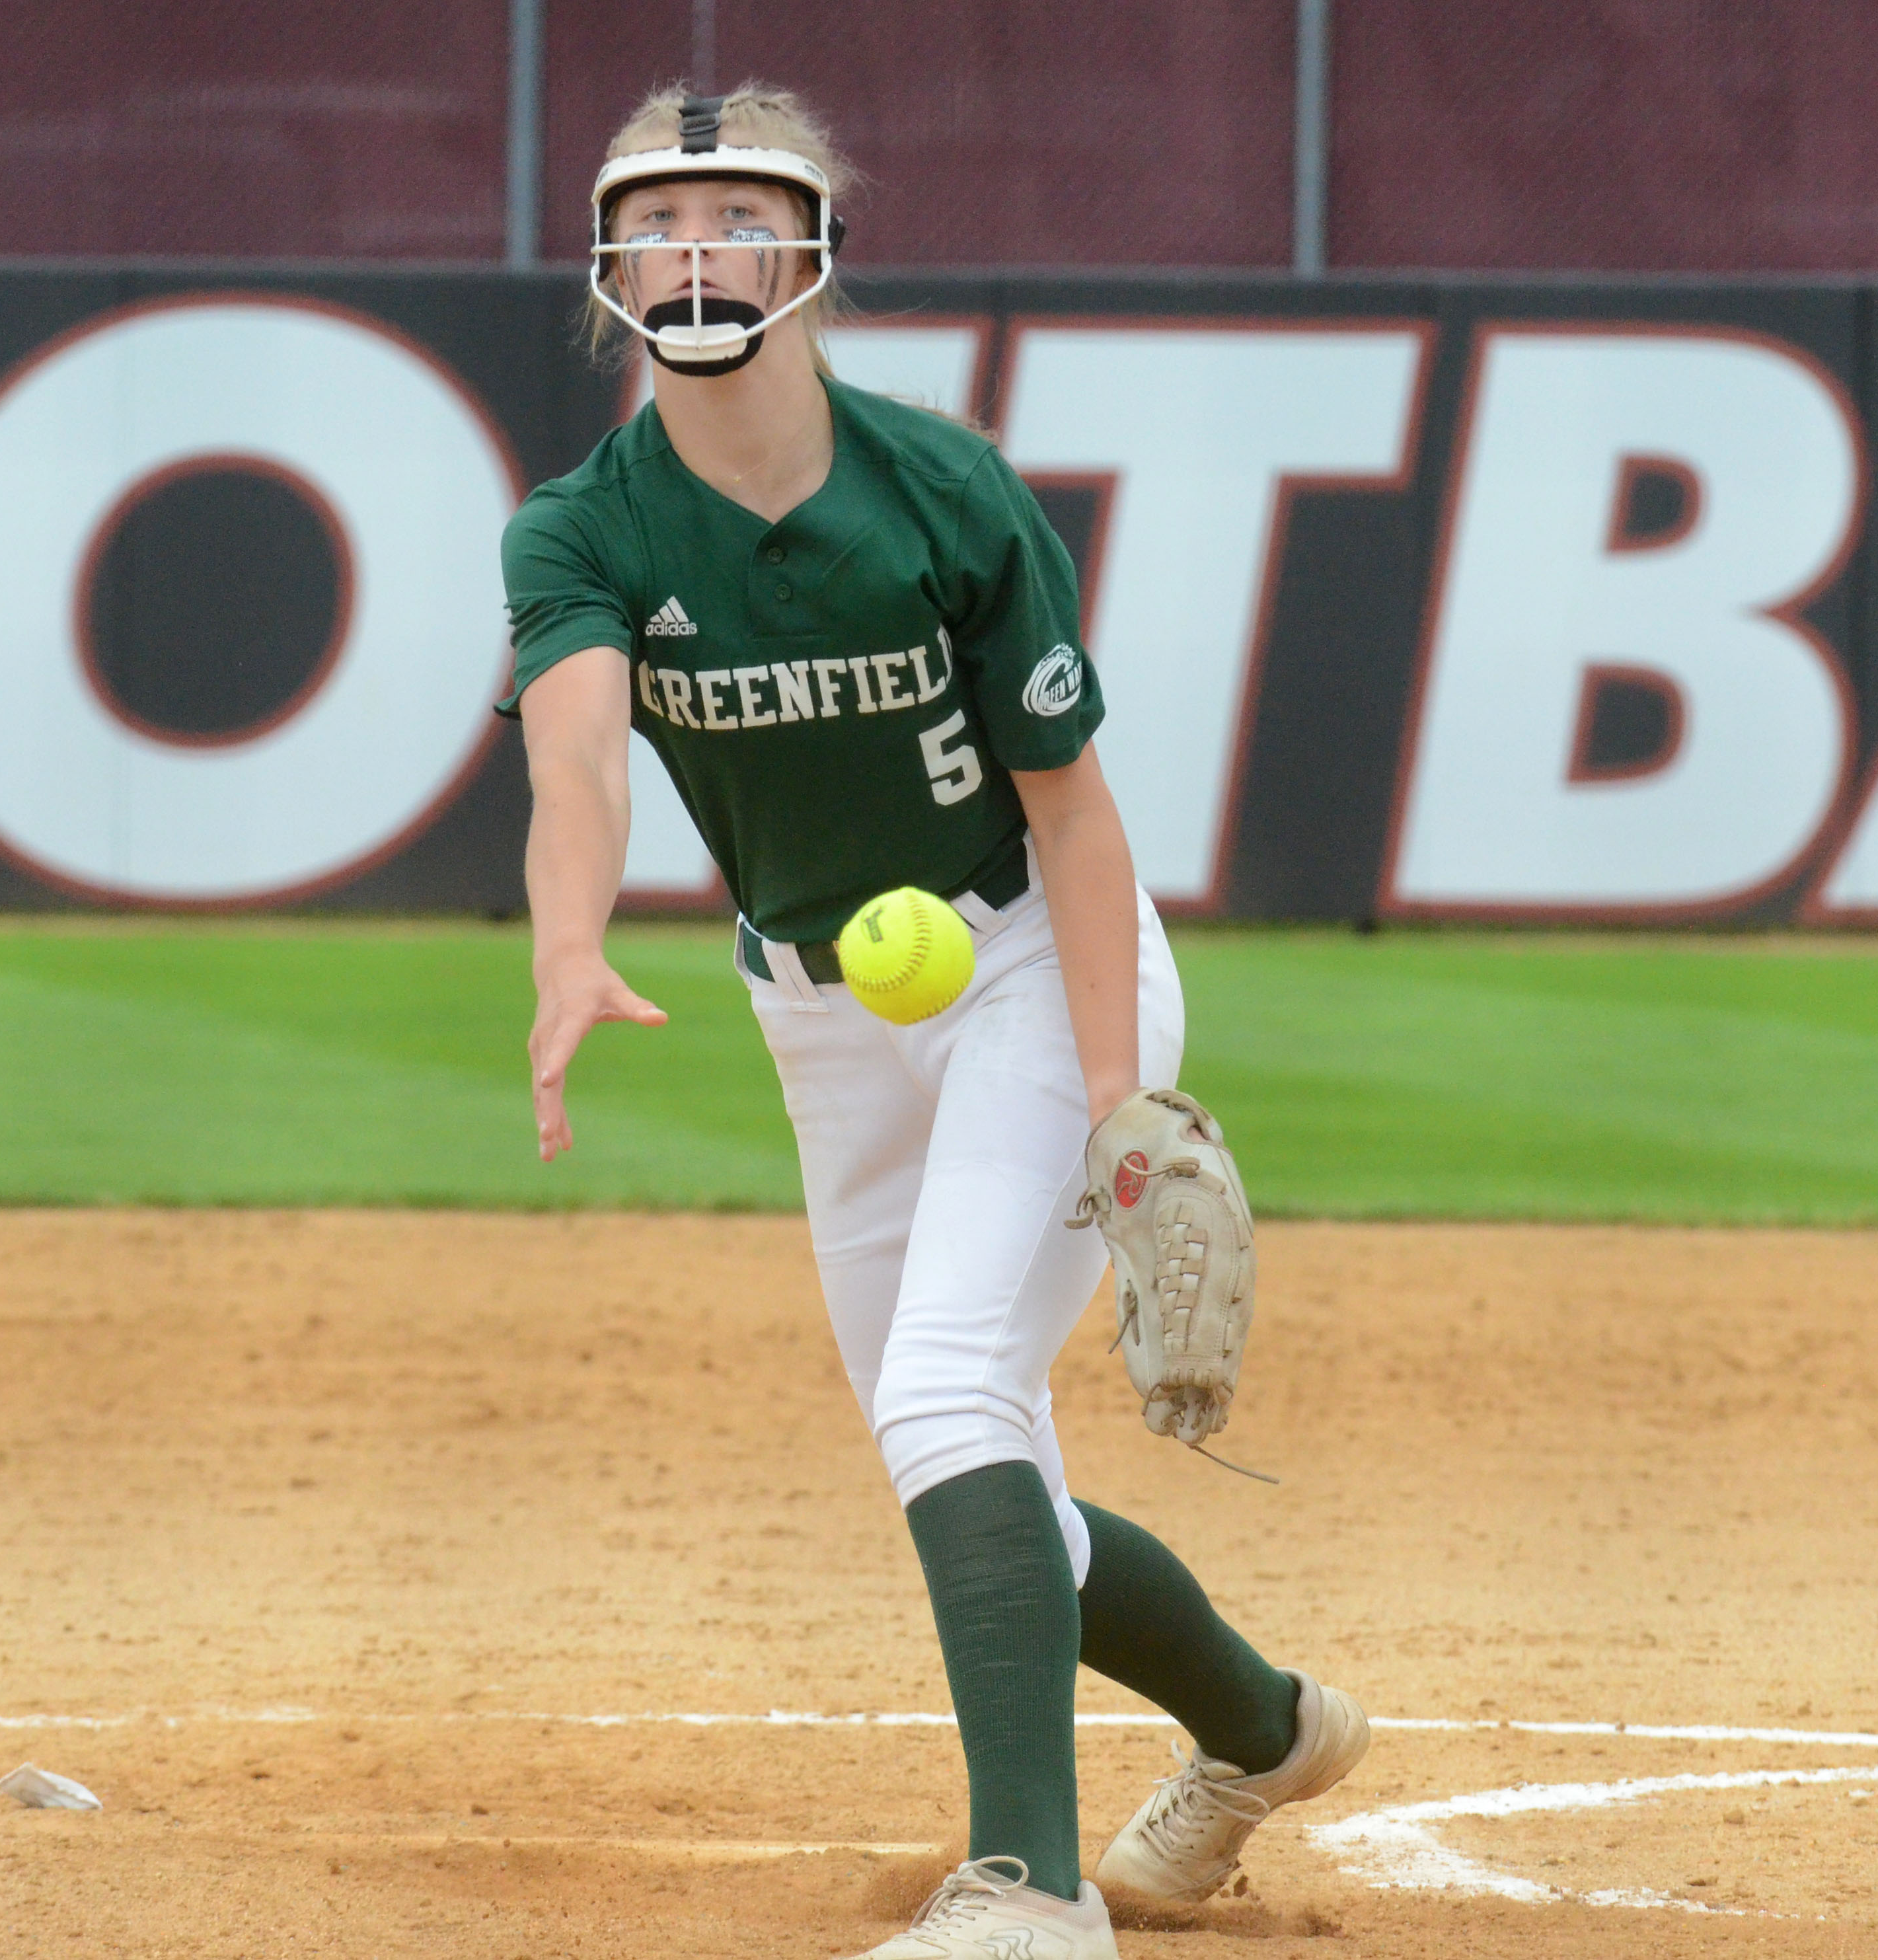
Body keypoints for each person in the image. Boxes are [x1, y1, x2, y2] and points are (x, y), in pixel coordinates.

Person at [500, 83, 1372, 1960]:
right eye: (662, 219)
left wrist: (1123, 1090)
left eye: (740, 214)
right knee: (982, 1478)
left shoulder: (947, 490)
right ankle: (1267, 1728)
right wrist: (570, 941)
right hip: (821, 1013)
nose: (699, 250)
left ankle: (1029, 1888)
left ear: (813, 253)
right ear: (608, 266)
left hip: (1038, 967)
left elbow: (1072, 805)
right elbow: (576, 756)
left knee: (945, 1388)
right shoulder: (582, 524)